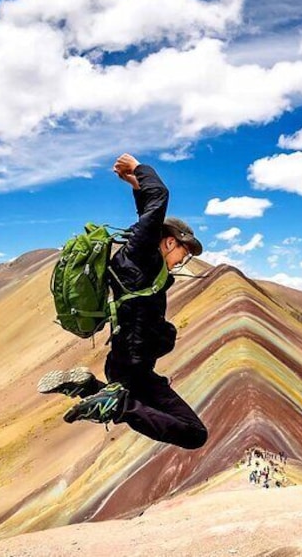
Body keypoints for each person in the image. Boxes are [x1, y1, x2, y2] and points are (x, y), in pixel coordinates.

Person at [37, 153, 208, 450]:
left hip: (124, 364)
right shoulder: (143, 255)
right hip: (134, 366)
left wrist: (134, 186)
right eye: (185, 251)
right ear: (169, 242)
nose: (185, 259)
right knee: (194, 434)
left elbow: (148, 215)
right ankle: (113, 404)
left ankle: (90, 389)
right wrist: (140, 169)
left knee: (147, 408)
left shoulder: (136, 258)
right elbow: (159, 199)